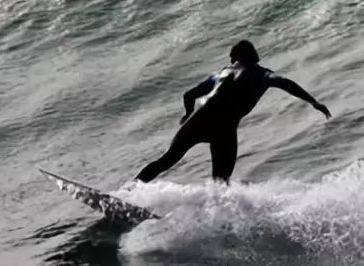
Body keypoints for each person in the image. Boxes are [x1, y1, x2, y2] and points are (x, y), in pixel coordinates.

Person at [135, 40, 331, 184]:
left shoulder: (220, 74)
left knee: (167, 160)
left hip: (200, 120)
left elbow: (189, 95)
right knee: (221, 182)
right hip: (225, 128)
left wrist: (188, 113)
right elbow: (285, 83)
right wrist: (313, 101)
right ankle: (217, 219)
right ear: (254, 56)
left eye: (232, 58)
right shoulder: (262, 74)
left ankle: (129, 191)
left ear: (236, 57)